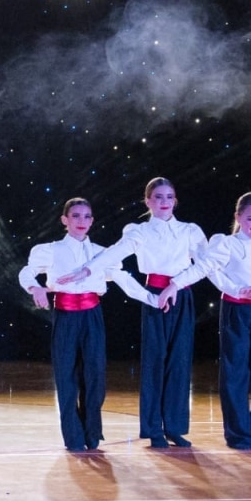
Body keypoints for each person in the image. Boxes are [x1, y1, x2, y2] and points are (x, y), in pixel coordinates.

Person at [59, 177, 207, 448]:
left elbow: (205, 265)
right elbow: (114, 253)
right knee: (155, 361)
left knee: (179, 362)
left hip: (181, 295)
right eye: (158, 197)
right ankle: (153, 429)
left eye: (169, 197)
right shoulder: (139, 231)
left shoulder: (190, 230)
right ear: (148, 201)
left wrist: (177, 284)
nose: (164, 202)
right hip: (155, 296)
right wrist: (87, 269)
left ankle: (175, 427)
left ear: (175, 200)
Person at [19, 198, 156, 452]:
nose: (81, 221)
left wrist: (153, 299)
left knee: (95, 376)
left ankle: (92, 433)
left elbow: (123, 280)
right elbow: (26, 271)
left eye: (86, 216)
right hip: (65, 315)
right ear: (65, 220)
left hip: (92, 316)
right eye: (75, 216)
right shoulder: (50, 250)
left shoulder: (102, 253)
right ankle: (73, 436)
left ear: (92, 221)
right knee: (66, 376)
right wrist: (34, 287)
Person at [178, 192, 251, 449]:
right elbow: (209, 271)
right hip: (236, 310)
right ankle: (238, 434)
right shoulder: (226, 244)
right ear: (238, 217)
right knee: (235, 371)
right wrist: (237, 290)